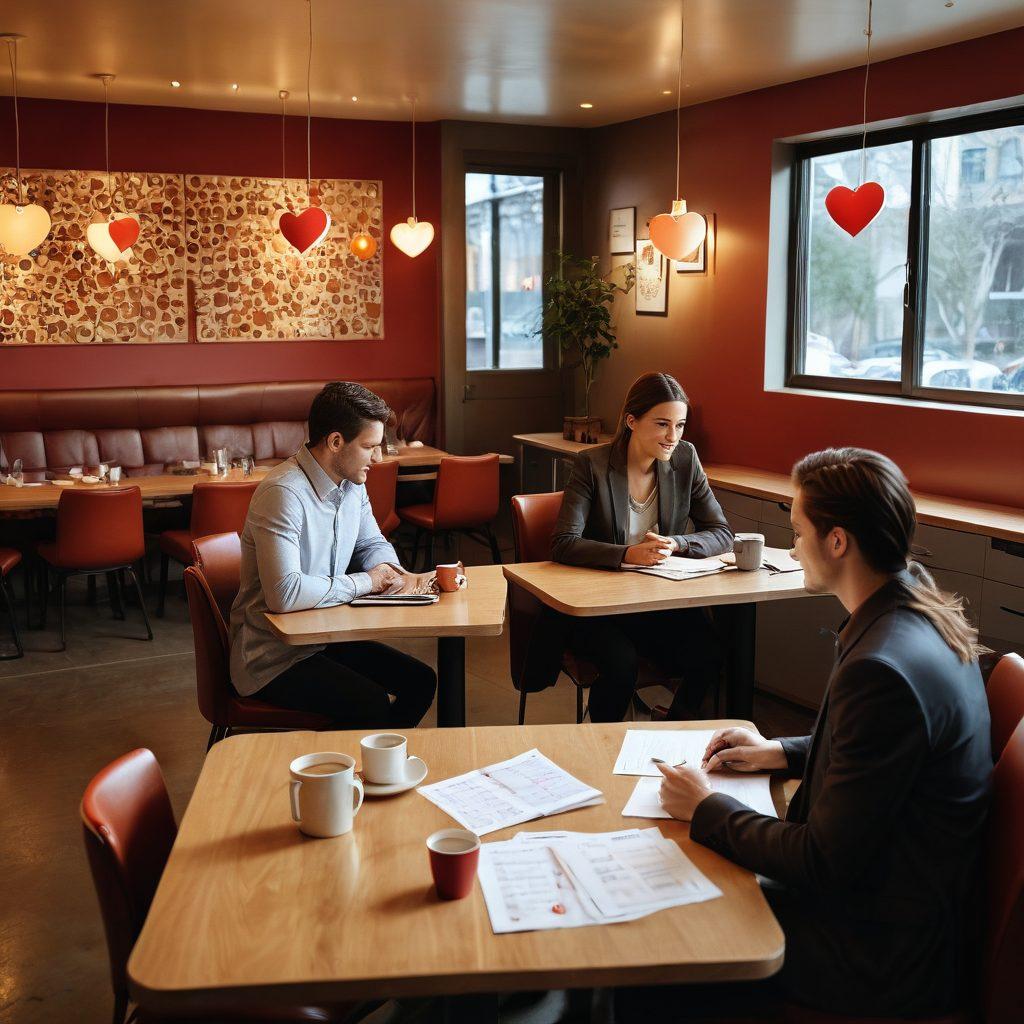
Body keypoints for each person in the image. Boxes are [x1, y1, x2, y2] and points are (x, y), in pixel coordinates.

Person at [643, 447, 992, 1019]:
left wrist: (705, 807)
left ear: (837, 542)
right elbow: (887, 753)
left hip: (873, 953)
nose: (792, 547)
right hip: (905, 908)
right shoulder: (915, 600)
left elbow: (821, 862)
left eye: (798, 531)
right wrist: (779, 751)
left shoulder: (881, 670)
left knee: (661, 942)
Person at [229, 382, 436, 728]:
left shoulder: (352, 483)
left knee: (421, 682)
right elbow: (284, 594)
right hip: (272, 656)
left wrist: (390, 572)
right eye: (369, 447)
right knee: (369, 702)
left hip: (323, 638)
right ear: (336, 442)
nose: (378, 458)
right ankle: (362, 760)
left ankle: (373, 758)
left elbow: (371, 543)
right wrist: (367, 582)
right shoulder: (284, 493)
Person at [545, 371, 733, 721]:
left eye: (680, 425)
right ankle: (603, 745)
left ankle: (671, 732)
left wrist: (676, 543)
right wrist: (627, 554)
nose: (673, 437)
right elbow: (564, 544)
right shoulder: (592, 465)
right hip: (597, 608)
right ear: (631, 421)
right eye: (662, 424)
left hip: (654, 603)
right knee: (621, 663)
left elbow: (721, 532)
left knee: (710, 652)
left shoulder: (685, 459)